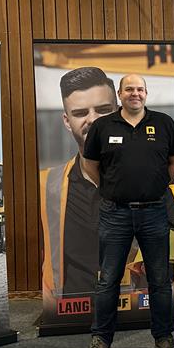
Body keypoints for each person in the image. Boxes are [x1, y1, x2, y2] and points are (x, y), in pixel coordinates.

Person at [81, 73, 174, 348]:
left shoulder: (163, 123)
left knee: (160, 280)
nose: (135, 93)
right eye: (129, 89)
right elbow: (90, 164)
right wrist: (110, 187)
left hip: (154, 211)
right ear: (119, 94)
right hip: (115, 213)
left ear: (146, 93)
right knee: (108, 280)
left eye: (139, 89)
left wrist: (158, 183)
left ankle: (163, 337)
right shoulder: (103, 126)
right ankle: (101, 339)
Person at [39, 67, 118, 316]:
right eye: (81, 113)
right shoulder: (45, 186)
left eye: (103, 110)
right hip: (67, 320)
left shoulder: (155, 182)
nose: (92, 119)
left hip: (136, 319)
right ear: (67, 121)